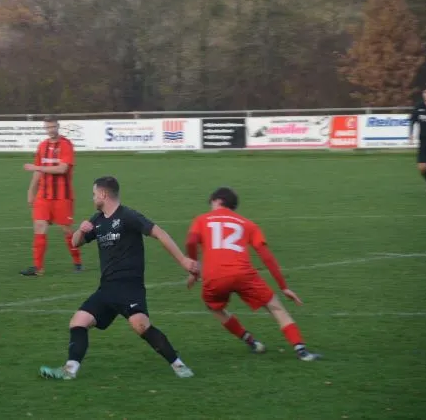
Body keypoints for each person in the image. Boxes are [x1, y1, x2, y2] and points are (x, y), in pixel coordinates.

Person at [39, 176, 199, 380]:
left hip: (130, 287)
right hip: (107, 289)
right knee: (78, 322)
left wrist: (183, 260)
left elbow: (160, 233)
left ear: (103, 194)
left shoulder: (128, 216)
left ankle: (179, 365)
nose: (93, 198)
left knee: (141, 325)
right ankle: (69, 370)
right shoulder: (97, 220)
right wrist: (81, 230)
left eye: (94, 194)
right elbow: (75, 243)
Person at [185, 187, 321, 361]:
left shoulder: (201, 219)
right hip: (244, 275)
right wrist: (284, 287)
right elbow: (266, 257)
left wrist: (194, 269)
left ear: (217, 200)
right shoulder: (247, 224)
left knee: (214, 307)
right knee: (275, 307)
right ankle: (302, 351)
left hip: (215, 276)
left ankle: (250, 341)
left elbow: (191, 241)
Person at [20, 115, 82, 276]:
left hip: (62, 196)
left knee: (66, 230)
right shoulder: (42, 146)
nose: (50, 130)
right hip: (43, 196)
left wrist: (37, 167)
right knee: (39, 227)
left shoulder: (66, 145)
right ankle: (38, 268)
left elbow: (62, 169)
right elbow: (37, 172)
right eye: (47, 127)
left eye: (53, 126)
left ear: (58, 126)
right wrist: (31, 191)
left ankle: (77, 261)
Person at [409, 84, 426, 201]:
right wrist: (411, 134)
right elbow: (412, 121)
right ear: (423, 94)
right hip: (424, 142)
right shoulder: (419, 107)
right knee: (422, 168)